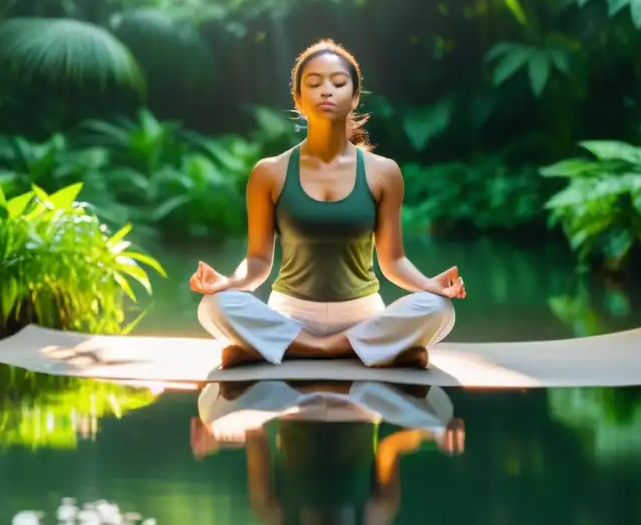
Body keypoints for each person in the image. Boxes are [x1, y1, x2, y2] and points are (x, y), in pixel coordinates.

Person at [189, 39, 466, 370]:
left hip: (361, 316)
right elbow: (258, 262)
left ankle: (283, 349)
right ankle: (372, 352)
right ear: (298, 99)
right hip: (291, 315)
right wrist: (227, 283)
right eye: (314, 83)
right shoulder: (269, 173)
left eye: (338, 83)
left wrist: (429, 285)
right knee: (213, 305)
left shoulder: (384, 173)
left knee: (439, 309)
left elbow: (393, 261)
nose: (326, 91)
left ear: (354, 97)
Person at [189, 380, 466, 524]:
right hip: (362, 403)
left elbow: (255, 437)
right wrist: (432, 433)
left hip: (293, 401)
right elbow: (389, 450)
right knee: (440, 416)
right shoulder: (373, 517)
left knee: (213, 413)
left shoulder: (276, 516)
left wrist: (219, 435)